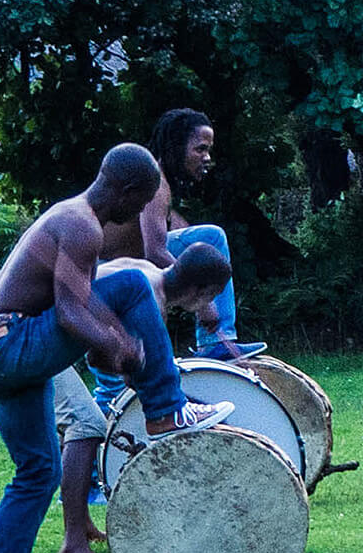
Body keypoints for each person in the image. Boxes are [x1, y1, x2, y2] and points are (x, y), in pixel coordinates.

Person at [0, 144, 234, 553]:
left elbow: (79, 301)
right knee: (131, 282)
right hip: (7, 343)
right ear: (127, 191)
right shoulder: (82, 226)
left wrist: (116, 340)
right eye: (142, 201)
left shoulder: (73, 218)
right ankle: (167, 411)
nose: (138, 214)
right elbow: (69, 313)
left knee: (39, 472)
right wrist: (117, 344)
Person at [50, 243, 235, 553]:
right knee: (87, 426)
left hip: (47, 337)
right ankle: (72, 546)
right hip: (37, 342)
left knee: (89, 423)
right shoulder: (151, 298)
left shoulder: (144, 268)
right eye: (212, 296)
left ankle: (82, 526)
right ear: (202, 291)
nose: (210, 304)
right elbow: (98, 359)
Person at [91, 109, 264, 411]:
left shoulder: (160, 187)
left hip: (114, 277)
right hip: (102, 281)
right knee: (114, 395)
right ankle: (212, 347)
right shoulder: (155, 183)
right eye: (200, 149)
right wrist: (205, 303)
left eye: (209, 150)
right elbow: (155, 250)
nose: (207, 157)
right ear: (175, 147)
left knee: (208, 238)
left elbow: (173, 230)